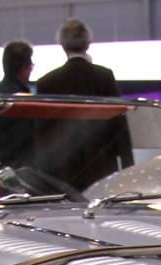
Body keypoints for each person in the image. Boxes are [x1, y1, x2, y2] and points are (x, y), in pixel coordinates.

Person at [33, 19, 131, 190]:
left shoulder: (47, 82)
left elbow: (44, 133)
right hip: (102, 164)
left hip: (63, 169)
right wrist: (127, 163)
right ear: (88, 43)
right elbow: (119, 122)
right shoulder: (104, 76)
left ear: (62, 45)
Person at [0, 40, 36, 169]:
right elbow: (26, 137)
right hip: (21, 167)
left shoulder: (1, 93)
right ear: (23, 67)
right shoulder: (19, 97)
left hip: (8, 164)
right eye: (31, 64)